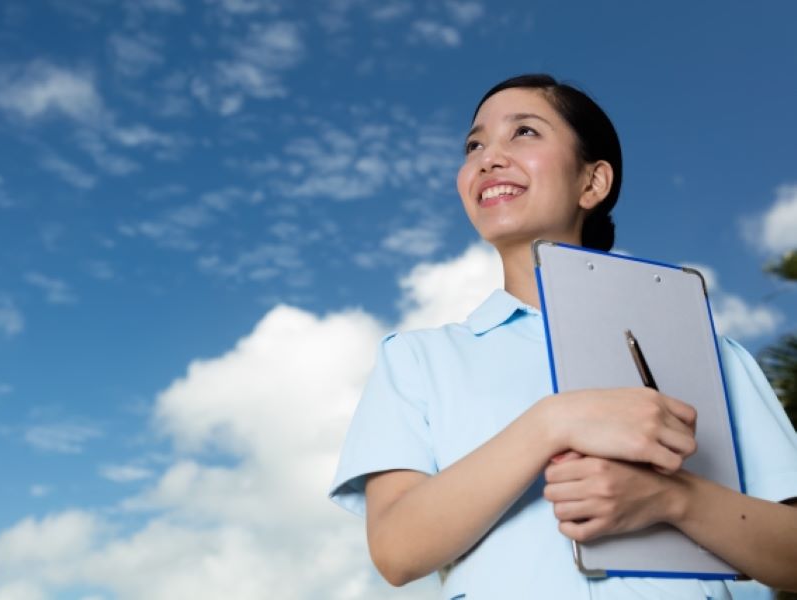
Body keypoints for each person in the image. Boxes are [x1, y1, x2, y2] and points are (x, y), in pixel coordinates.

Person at [328, 74, 797, 599]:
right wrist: (551, 422)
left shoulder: (712, 355)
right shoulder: (417, 360)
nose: (488, 158)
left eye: (524, 132)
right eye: (474, 145)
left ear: (592, 183)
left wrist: (673, 498)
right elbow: (396, 550)